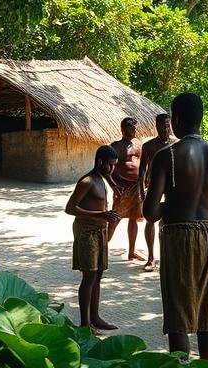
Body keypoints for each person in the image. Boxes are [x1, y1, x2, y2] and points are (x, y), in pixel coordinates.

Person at [143, 93, 208, 361]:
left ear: (176, 119)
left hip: (178, 235)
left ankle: (180, 365)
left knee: (178, 312)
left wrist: (170, 206)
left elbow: (149, 212)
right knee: (206, 313)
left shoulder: (166, 156)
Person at [65, 145, 122, 332]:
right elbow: (70, 208)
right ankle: (84, 324)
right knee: (89, 276)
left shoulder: (102, 177)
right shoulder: (87, 181)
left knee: (98, 275)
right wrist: (100, 215)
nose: (112, 169)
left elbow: (108, 177)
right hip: (86, 232)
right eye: (110, 165)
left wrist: (113, 184)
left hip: (100, 231)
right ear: (99, 162)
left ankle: (95, 317)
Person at [138, 113, 174, 272]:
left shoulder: (176, 144)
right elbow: (142, 171)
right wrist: (141, 191)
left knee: (169, 220)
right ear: (156, 127)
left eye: (167, 126)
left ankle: (167, 255)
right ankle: (151, 257)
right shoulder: (149, 146)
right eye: (162, 127)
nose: (165, 130)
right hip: (154, 185)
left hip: (172, 186)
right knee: (150, 219)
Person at [110, 117, 145, 260]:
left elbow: (143, 163)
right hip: (121, 187)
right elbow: (108, 168)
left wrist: (144, 180)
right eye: (131, 128)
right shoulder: (115, 146)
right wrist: (114, 185)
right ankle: (102, 247)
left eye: (135, 128)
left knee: (134, 217)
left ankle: (131, 251)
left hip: (136, 186)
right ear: (123, 130)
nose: (134, 131)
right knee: (115, 218)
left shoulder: (138, 145)